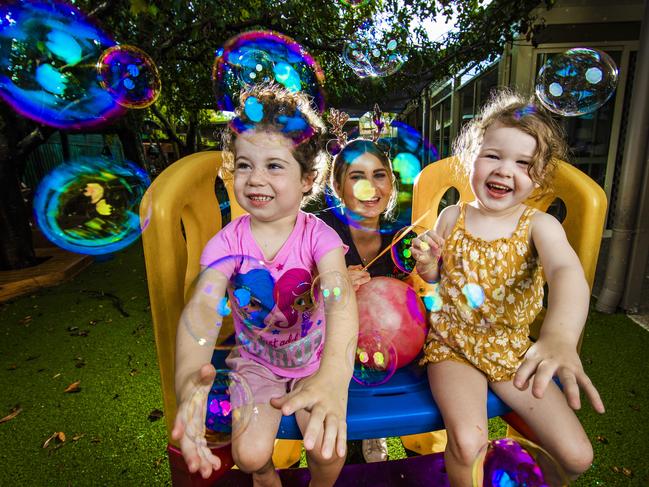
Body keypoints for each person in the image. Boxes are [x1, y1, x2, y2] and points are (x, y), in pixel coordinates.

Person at [410, 89, 606, 485]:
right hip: (453, 344)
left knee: (577, 456)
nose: (504, 170)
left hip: (512, 349)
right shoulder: (452, 216)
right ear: (472, 157)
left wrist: (559, 337)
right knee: (467, 442)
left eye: (523, 163)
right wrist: (430, 266)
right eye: (493, 156)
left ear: (539, 175)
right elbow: (436, 281)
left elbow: (568, 273)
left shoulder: (539, 225)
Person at [171, 83, 359, 487]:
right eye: (244, 165)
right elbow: (204, 309)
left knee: (328, 450)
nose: (255, 179)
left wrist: (332, 377)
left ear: (308, 179)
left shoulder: (319, 237)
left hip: (316, 363)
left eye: (274, 166)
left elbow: (339, 301)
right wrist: (188, 380)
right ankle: (263, 476)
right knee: (249, 453)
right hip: (257, 365)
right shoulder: (228, 242)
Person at [317, 137, 447, 463]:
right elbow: (298, 298)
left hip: (387, 355)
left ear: (390, 183)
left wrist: (430, 266)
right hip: (328, 353)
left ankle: (380, 433)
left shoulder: (400, 236)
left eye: (379, 175)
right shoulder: (320, 232)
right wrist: (330, 284)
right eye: (356, 176)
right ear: (337, 185)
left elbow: (420, 296)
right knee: (345, 461)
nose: (369, 187)